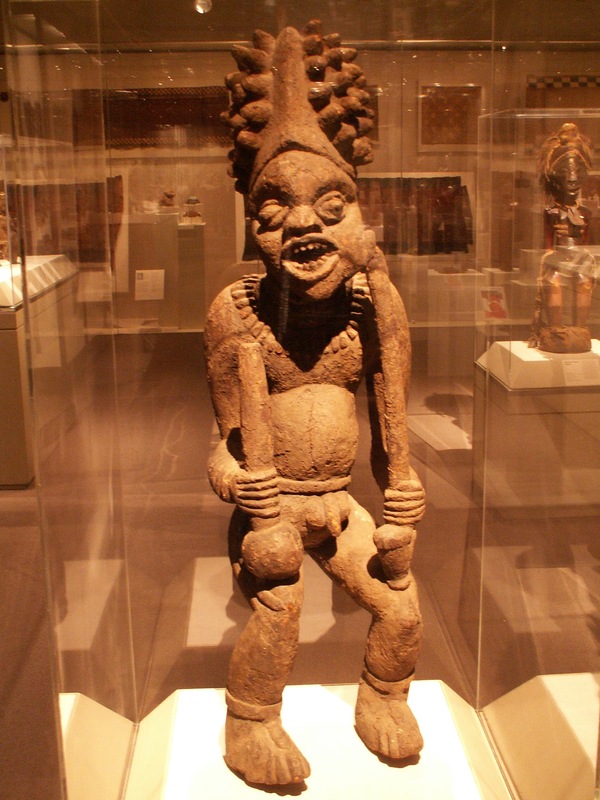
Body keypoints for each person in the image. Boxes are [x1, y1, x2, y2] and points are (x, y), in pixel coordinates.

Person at [204, 21, 425, 786]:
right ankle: (251, 720)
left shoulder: (371, 310)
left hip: (339, 503)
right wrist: (238, 483)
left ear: (359, 216)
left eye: (331, 207)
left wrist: (403, 489)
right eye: (273, 211)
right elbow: (222, 442)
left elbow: (393, 427)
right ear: (252, 226)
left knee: (400, 608)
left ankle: (384, 696)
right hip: (273, 511)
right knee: (281, 605)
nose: (301, 224)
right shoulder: (236, 313)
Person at [531, 122, 597, 353]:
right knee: (554, 281)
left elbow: (587, 243)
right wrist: (552, 255)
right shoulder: (551, 212)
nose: (572, 178)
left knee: (584, 280)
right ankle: (556, 329)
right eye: (566, 173)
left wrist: (575, 234)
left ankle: (580, 328)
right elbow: (548, 245)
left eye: (577, 172)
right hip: (557, 258)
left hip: (578, 258)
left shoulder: (585, 213)